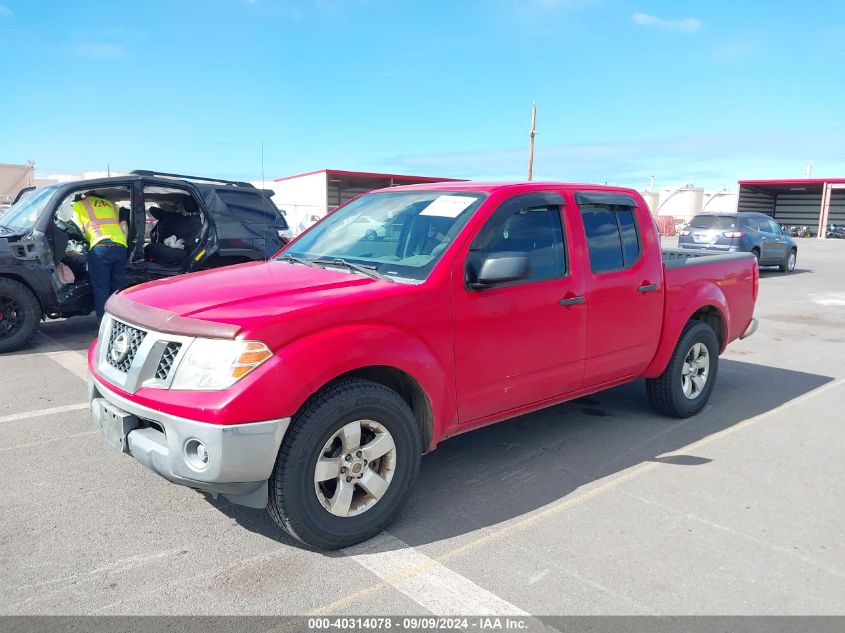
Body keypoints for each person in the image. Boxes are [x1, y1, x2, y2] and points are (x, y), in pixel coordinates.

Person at [70, 192, 129, 322]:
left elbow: (76, 228)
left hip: (100, 246)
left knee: (101, 288)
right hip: (120, 246)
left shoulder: (80, 205)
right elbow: (124, 227)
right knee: (117, 288)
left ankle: (104, 323)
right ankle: (119, 322)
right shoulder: (111, 204)